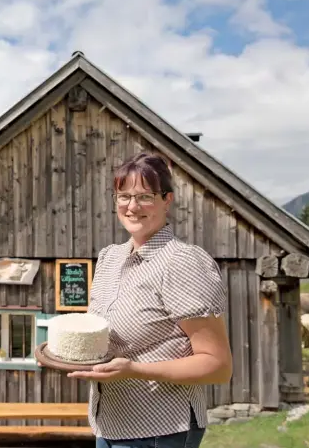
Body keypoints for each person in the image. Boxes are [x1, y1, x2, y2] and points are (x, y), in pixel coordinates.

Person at [67, 153, 233, 448]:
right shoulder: (109, 258)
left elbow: (218, 365)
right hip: (109, 422)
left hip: (161, 430)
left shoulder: (183, 262)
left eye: (145, 196)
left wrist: (135, 370)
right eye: (124, 196)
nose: (132, 207)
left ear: (167, 200)